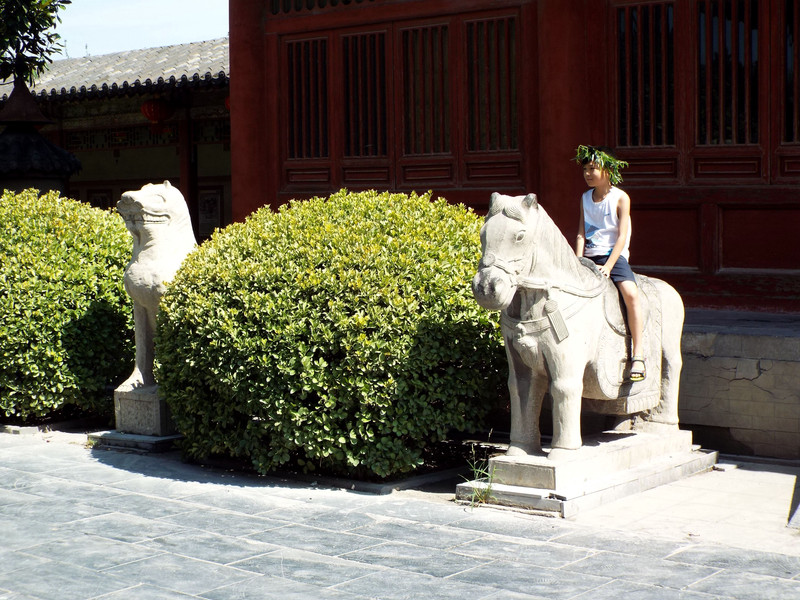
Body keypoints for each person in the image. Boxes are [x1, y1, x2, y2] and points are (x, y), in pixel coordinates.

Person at [573, 145, 646, 382]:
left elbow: (622, 236)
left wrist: (609, 265)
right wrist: (578, 261)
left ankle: (638, 354)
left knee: (631, 294)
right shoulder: (585, 198)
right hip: (589, 257)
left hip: (613, 257)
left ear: (608, 170)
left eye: (592, 168)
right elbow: (581, 234)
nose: (587, 173)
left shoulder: (620, 198)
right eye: (585, 169)